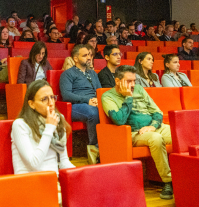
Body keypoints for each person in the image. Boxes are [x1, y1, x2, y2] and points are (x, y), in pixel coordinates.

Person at [101, 65, 173, 199]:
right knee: (155, 138)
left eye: (134, 81)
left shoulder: (140, 89)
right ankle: (168, 181)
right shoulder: (108, 97)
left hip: (154, 127)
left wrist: (153, 125)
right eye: (129, 81)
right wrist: (128, 97)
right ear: (117, 81)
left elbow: (157, 111)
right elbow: (119, 120)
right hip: (132, 133)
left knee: (182, 135)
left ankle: (187, 178)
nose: (133, 85)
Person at [11, 80, 75, 204]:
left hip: (54, 182)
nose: (51, 103)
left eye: (52, 97)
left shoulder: (58, 118)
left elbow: (64, 162)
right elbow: (34, 164)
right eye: (44, 99)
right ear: (31, 104)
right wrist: (49, 129)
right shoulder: (20, 125)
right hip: (30, 182)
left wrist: (81, 176)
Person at [59, 44, 101, 164]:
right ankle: (94, 146)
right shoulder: (67, 74)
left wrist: (97, 99)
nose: (89, 57)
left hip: (93, 103)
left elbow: (99, 90)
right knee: (93, 112)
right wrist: (87, 100)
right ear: (76, 58)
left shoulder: (92, 73)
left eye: (89, 55)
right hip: (75, 106)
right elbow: (66, 95)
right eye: (85, 55)